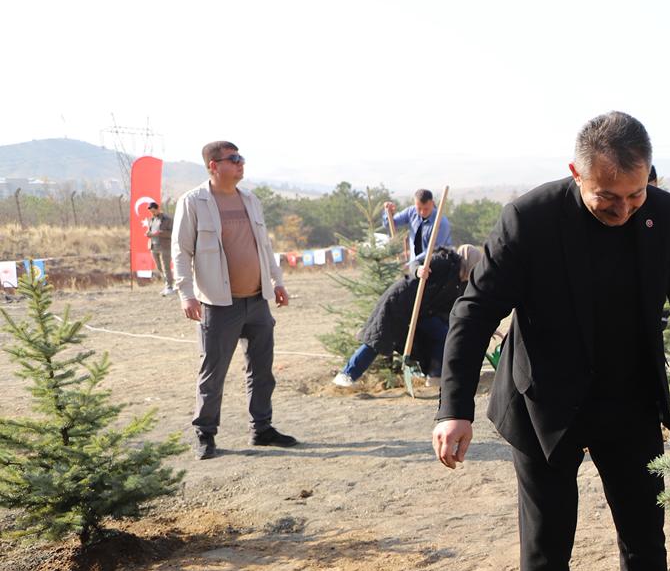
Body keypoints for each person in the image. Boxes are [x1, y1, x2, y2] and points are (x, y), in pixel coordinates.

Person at [431, 111, 670, 571]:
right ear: (575, 173)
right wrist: (453, 408)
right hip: (544, 400)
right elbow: (474, 311)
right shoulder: (530, 219)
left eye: (635, 193)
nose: (623, 209)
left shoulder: (665, 215)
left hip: (631, 397)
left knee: (645, 534)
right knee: (547, 539)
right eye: (607, 197)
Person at [173, 140, 297, 461]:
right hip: (218, 304)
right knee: (212, 374)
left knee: (262, 370)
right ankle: (206, 434)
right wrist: (186, 294)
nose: (241, 164)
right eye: (234, 159)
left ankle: (263, 428)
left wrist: (276, 281)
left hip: (257, 301)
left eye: (241, 158)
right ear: (214, 165)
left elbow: (264, 247)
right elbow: (181, 252)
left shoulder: (250, 200)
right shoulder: (194, 202)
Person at [333, 244, 481, 386]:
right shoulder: (444, 261)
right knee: (378, 340)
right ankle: (347, 375)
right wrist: (419, 270)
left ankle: (435, 376)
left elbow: (462, 307)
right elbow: (416, 262)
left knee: (442, 334)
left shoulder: (461, 282)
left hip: (424, 311)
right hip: (401, 302)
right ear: (467, 261)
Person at [385, 189, 452, 271]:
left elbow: (434, 250)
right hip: (414, 268)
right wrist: (388, 212)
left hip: (435, 267)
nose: (422, 212)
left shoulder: (441, 222)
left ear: (432, 203)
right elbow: (390, 224)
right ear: (415, 203)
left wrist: (412, 263)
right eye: (419, 208)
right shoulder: (411, 212)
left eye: (426, 209)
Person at [142, 201, 175, 294]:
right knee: (159, 267)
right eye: (150, 211)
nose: (152, 213)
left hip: (164, 246)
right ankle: (166, 284)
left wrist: (160, 233)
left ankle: (170, 286)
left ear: (158, 209)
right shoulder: (152, 219)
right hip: (153, 246)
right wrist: (148, 234)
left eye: (153, 210)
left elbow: (172, 232)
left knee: (166, 267)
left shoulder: (167, 219)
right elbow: (150, 230)